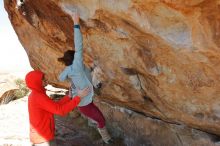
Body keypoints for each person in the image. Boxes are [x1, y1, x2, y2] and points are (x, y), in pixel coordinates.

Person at [57, 12, 112, 144]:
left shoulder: (72, 69)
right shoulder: (76, 65)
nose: (79, 57)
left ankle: (99, 129)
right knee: (101, 119)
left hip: (85, 100)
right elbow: (79, 44)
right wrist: (76, 23)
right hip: (84, 104)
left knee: (98, 117)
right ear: (74, 58)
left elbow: (60, 77)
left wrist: (72, 85)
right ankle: (107, 140)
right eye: (77, 56)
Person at [25, 70, 90, 146]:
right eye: (43, 79)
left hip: (41, 135)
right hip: (42, 138)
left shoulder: (36, 94)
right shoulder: (38, 97)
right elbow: (60, 111)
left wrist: (68, 97)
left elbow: (54, 107)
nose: (46, 80)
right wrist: (79, 97)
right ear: (36, 82)